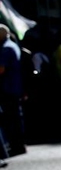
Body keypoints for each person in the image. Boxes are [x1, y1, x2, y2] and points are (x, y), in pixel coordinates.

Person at [0, 25, 25, 160]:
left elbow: (1, 69)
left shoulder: (6, 48)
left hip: (8, 88)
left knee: (11, 118)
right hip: (13, 87)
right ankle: (18, 144)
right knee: (14, 117)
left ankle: (16, 145)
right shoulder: (12, 46)